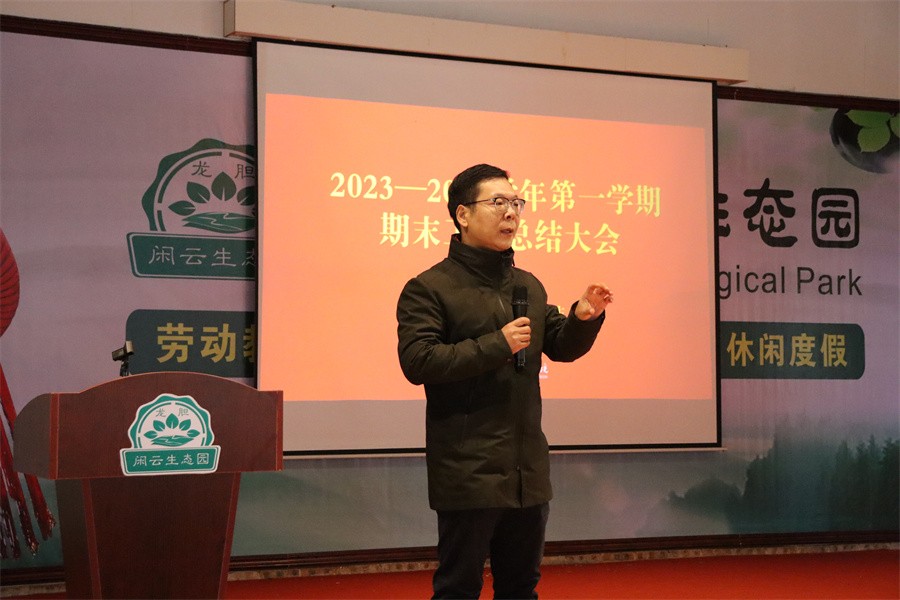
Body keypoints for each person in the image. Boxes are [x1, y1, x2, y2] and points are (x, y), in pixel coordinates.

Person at [396, 163, 613, 599]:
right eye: (498, 202)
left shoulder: (527, 286)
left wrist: (582, 319)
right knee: (458, 588)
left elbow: (559, 344)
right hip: (469, 472)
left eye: (516, 203)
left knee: (521, 587)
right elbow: (419, 361)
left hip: (526, 473)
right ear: (462, 214)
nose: (511, 213)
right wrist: (499, 343)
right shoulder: (429, 288)